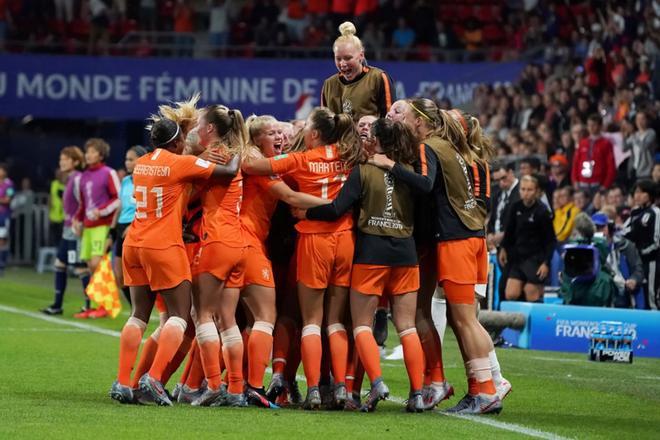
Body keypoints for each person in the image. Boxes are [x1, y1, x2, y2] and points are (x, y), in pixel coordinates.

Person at [370, 98, 501, 414]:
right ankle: (482, 387)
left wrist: (390, 165)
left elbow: (426, 185)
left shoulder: (429, 147)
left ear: (419, 121)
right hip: (469, 237)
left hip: (454, 239)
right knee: (463, 319)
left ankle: (486, 389)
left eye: (405, 114)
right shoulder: (454, 149)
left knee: (465, 321)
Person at [296, 119, 427, 412]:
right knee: (406, 328)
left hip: (372, 254)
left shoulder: (364, 170)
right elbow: (426, 190)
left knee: (362, 326)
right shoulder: (409, 172)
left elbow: (336, 209)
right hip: (406, 254)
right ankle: (418, 393)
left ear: (376, 140)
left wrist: (306, 212)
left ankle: (377, 381)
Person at [110, 118, 238, 406]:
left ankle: (122, 381)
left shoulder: (141, 162)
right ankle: (153, 378)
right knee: (179, 315)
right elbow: (229, 171)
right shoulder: (179, 163)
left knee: (138, 315)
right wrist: (238, 143)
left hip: (133, 243)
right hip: (163, 245)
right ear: (178, 142)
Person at [243, 107, 361, 410]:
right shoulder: (349, 158)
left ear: (315, 133)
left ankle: (312, 391)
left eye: (305, 126)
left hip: (313, 241)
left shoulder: (300, 160)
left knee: (310, 321)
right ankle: (342, 388)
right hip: (346, 240)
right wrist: (338, 204)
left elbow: (255, 165)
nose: (300, 132)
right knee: (335, 321)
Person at [237, 114, 331, 407]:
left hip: (265, 246)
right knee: (267, 317)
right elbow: (291, 198)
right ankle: (246, 383)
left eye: (286, 133)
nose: (283, 138)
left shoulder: (280, 163)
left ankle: (224, 385)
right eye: (274, 133)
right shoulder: (264, 165)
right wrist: (339, 203)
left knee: (229, 320)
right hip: (256, 246)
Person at [72, 138, 120, 319]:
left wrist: (101, 212)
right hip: (88, 227)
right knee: (91, 267)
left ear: (101, 154)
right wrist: (77, 219)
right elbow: (82, 205)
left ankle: (105, 305)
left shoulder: (109, 173)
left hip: (102, 225)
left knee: (97, 264)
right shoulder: (83, 176)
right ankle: (94, 305)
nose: (88, 154)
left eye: (92, 151)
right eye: (87, 151)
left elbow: (117, 199)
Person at [42, 147, 90, 316]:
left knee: (80, 268)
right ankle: (57, 305)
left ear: (76, 162)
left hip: (74, 229)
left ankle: (89, 305)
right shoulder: (69, 179)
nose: (61, 161)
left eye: (66, 159)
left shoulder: (77, 179)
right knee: (60, 264)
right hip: (67, 228)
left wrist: (80, 222)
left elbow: (85, 202)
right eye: (61, 158)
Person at [321, 21, 395, 121]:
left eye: (348, 58)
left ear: (361, 55)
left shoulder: (378, 78)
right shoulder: (329, 84)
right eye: (338, 59)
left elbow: (389, 121)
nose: (342, 64)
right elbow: (325, 124)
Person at [499, 175, 557, 302]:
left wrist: (546, 263)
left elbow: (551, 241)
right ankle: (513, 321)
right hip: (518, 258)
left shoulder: (542, 212)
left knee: (532, 294)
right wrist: (503, 248)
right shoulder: (515, 208)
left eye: (529, 190)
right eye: (523, 189)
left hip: (536, 259)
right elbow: (509, 232)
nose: (526, 193)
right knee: (510, 294)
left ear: (536, 191)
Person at [112, 146, 149, 307]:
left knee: (137, 275)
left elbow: (147, 206)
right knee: (119, 276)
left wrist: (134, 225)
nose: (127, 162)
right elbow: (120, 206)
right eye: (126, 159)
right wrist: (111, 231)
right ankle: (135, 309)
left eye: (131, 159)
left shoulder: (147, 179)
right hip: (121, 227)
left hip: (136, 226)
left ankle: (142, 311)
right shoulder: (126, 181)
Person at [592, 213, 645, 308]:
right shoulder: (590, 248)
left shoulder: (626, 246)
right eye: (595, 228)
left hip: (624, 292)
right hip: (599, 292)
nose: (598, 232)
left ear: (608, 228)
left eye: (601, 227)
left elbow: (638, 269)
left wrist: (634, 279)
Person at [623, 180, 660, 310]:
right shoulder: (634, 213)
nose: (637, 195)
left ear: (650, 195)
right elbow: (624, 232)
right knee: (637, 296)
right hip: (635, 262)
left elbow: (657, 241)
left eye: (642, 192)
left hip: (651, 261)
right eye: (636, 192)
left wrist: (642, 253)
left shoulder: (656, 212)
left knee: (652, 295)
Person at [571, 113, 616, 193]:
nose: (591, 127)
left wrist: (606, 185)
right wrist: (575, 180)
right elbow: (576, 163)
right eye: (589, 125)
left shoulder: (606, 144)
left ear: (600, 126)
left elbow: (611, 166)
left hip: (598, 183)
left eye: (594, 125)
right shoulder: (583, 143)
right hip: (582, 183)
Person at [623, 111, 656, 181]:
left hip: (646, 170)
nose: (639, 121)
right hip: (634, 168)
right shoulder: (635, 135)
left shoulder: (651, 133)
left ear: (647, 120)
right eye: (638, 119)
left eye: (642, 119)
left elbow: (644, 147)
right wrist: (625, 136)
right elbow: (624, 149)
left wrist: (633, 136)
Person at [0, 163, 14, 275]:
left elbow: (8, 200)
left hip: (4, 216)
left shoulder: (9, 184)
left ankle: (2, 265)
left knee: (2, 240)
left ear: (5, 171)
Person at [48, 169, 66, 246]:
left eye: (60, 173)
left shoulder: (67, 185)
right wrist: (49, 204)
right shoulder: (53, 184)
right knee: (53, 238)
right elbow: (50, 196)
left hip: (63, 217)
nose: (58, 175)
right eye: (57, 174)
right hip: (53, 216)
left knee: (62, 238)